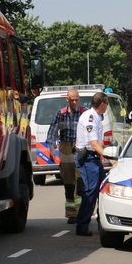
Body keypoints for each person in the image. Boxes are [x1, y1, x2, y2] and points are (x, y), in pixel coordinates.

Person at [74, 92, 116, 236]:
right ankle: (82, 225)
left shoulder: (96, 117)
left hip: (94, 158)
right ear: (102, 103)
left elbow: (98, 145)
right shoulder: (91, 118)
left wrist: (112, 157)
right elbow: (94, 144)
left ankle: (101, 221)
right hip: (87, 159)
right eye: (107, 104)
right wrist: (110, 157)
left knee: (102, 189)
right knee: (91, 190)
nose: (107, 107)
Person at [46, 88, 85, 224]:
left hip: (81, 148)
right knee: (69, 182)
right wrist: (51, 150)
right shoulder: (60, 114)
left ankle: (82, 212)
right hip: (66, 148)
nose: (74, 102)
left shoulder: (85, 112)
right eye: (72, 100)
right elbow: (51, 133)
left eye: (77, 100)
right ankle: (71, 214)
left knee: (80, 181)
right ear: (67, 99)